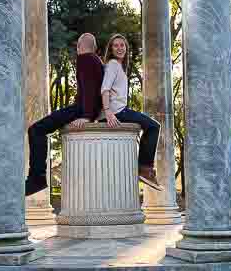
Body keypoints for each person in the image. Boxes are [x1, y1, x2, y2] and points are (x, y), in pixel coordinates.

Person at [25, 32, 104, 196]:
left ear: (79, 46)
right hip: (85, 109)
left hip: (81, 109)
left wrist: (87, 116)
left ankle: (37, 178)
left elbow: (90, 89)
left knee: (36, 130)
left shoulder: (85, 59)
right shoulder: (97, 61)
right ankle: (37, 178)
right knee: (39, 129)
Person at [100, 33, 162, 191]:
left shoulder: (119, 67)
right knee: (153, 127)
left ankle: (144, 168)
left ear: (126, 48)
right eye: (116, 45)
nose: (120, 48)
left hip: (120, 109)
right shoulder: (113, 64)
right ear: (111, 49)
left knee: (150, 126)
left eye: (122, 45)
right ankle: (145, 169)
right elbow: (105, 89)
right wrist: (108, 112)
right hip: (118, 111)